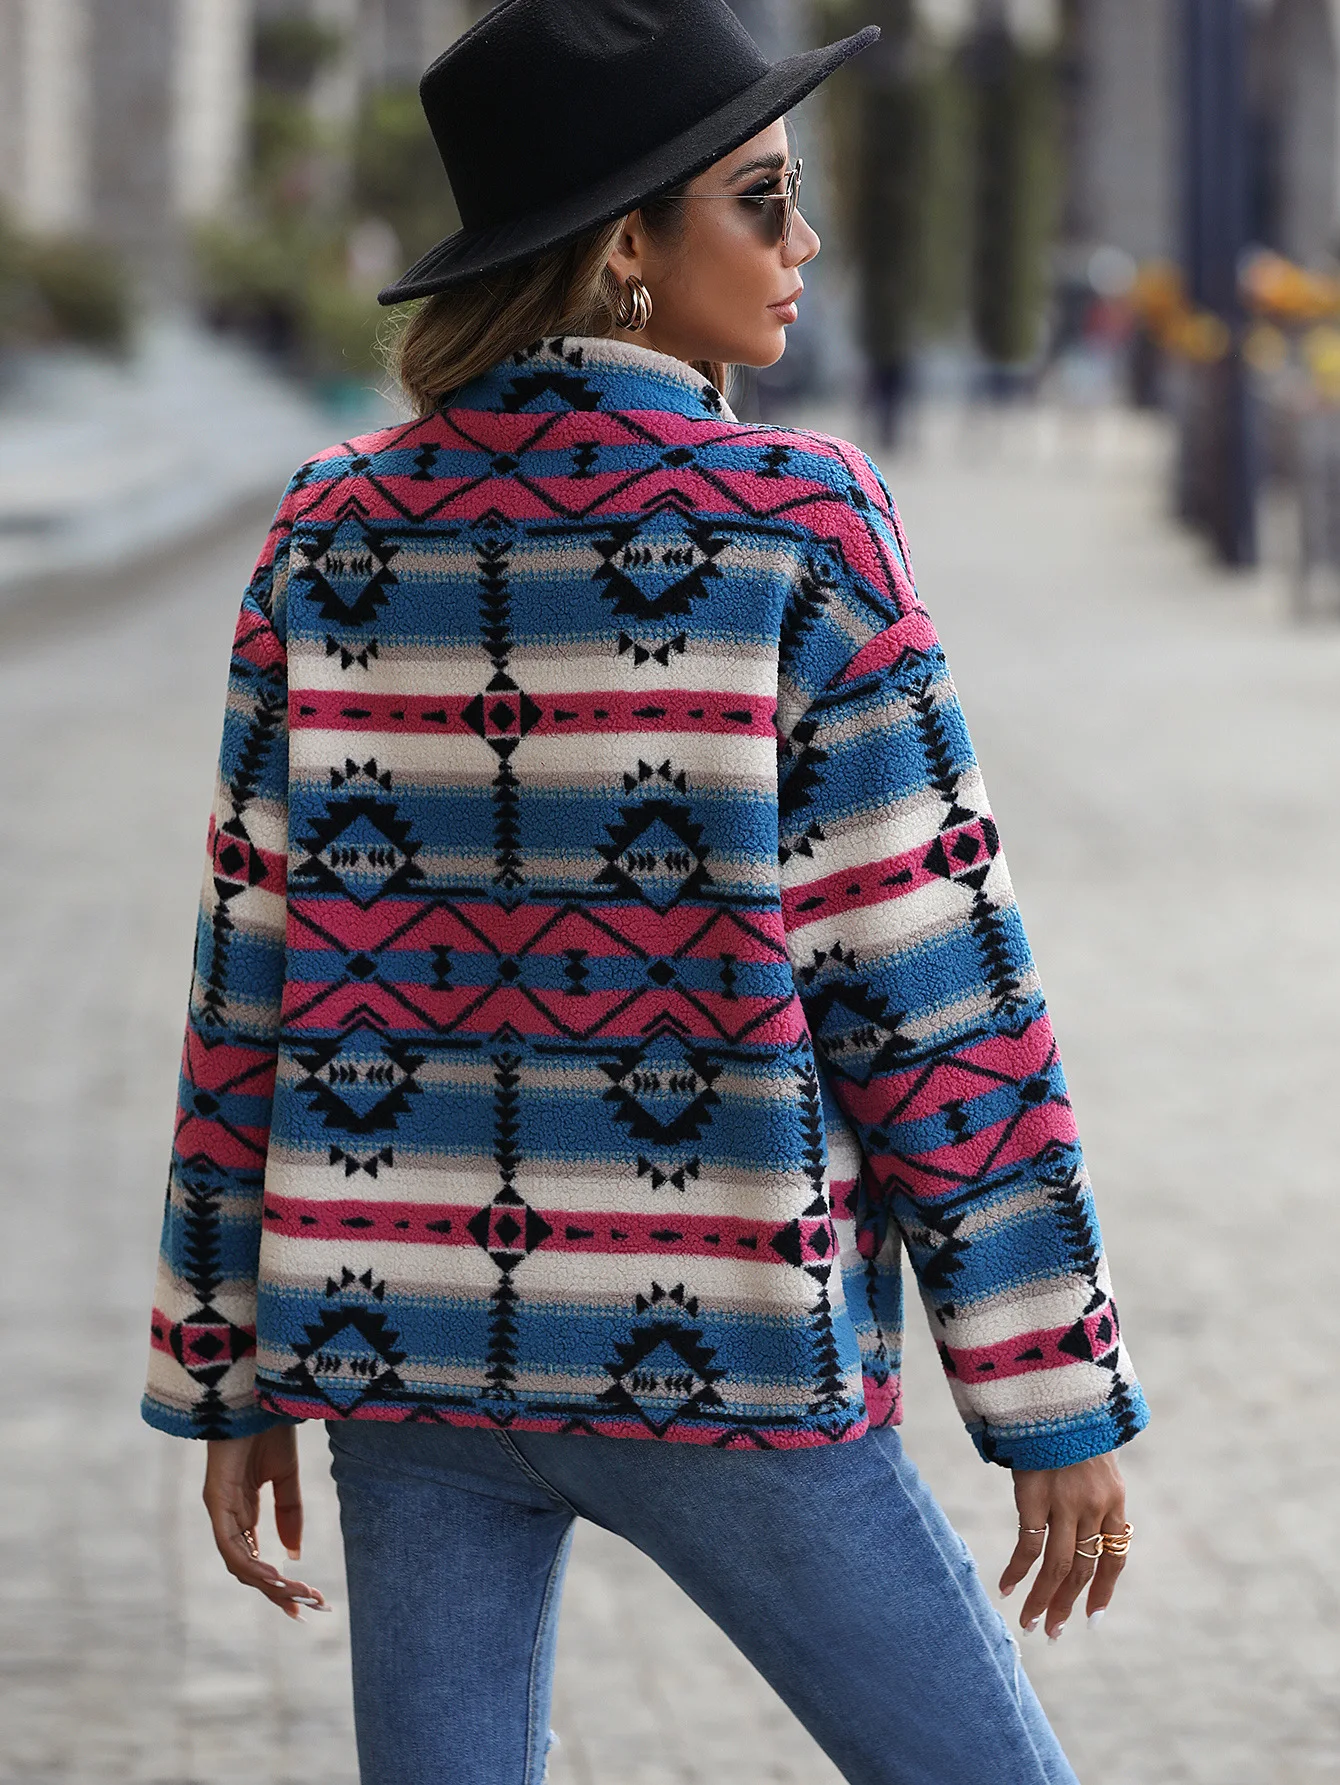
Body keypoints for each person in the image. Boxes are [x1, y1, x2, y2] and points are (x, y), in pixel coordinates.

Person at [141, 3, 1148, 1780]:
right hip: (728, 1350)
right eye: (761, 199)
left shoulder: (328, 534)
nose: (803, 242)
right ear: (627, 246)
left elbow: (252, 974)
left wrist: (225, 1367)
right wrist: (1052, 1392)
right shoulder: (795, 532)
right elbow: (931, 983)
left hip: (402, 1350)